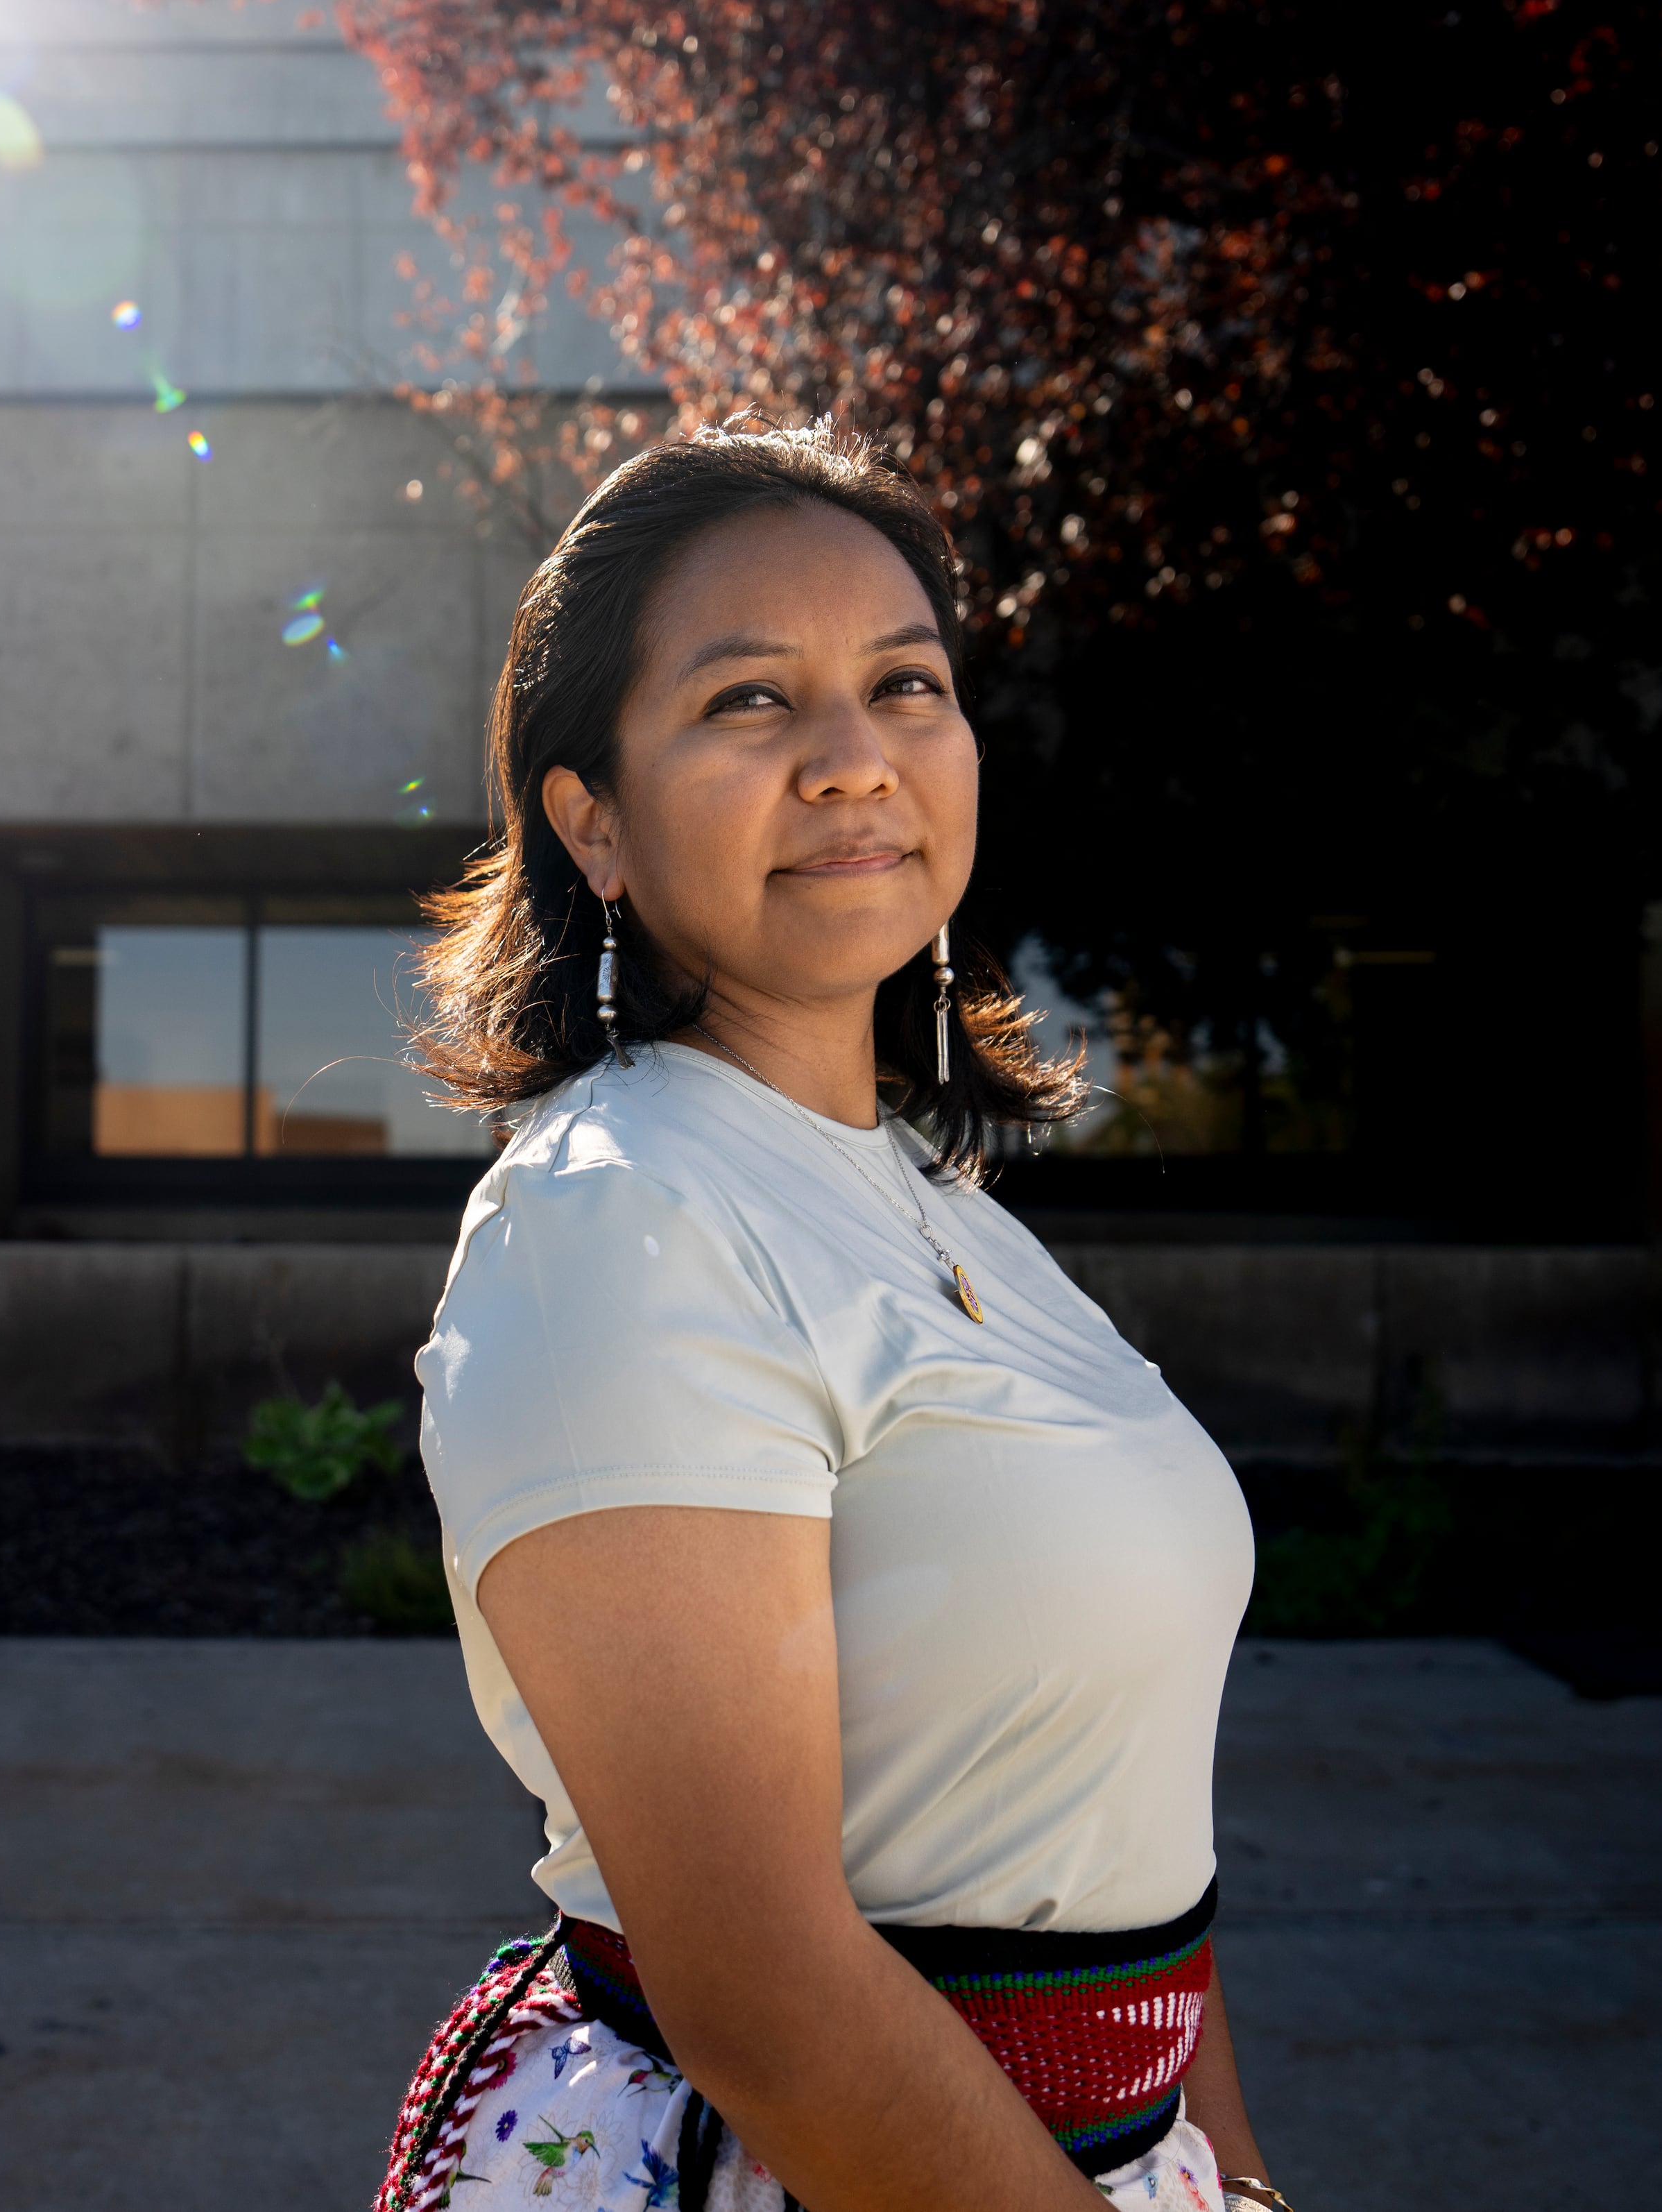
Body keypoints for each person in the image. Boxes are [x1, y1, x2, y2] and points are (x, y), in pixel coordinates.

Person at [380, 421, 1284, 2212]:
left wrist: (1233, 2184)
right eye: (749, 704)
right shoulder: (617, 1219)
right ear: (596, 822)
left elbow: (1111, 1809)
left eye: (906, 685)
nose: (856, 760)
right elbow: (765, 1998)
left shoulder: (946, 1206)